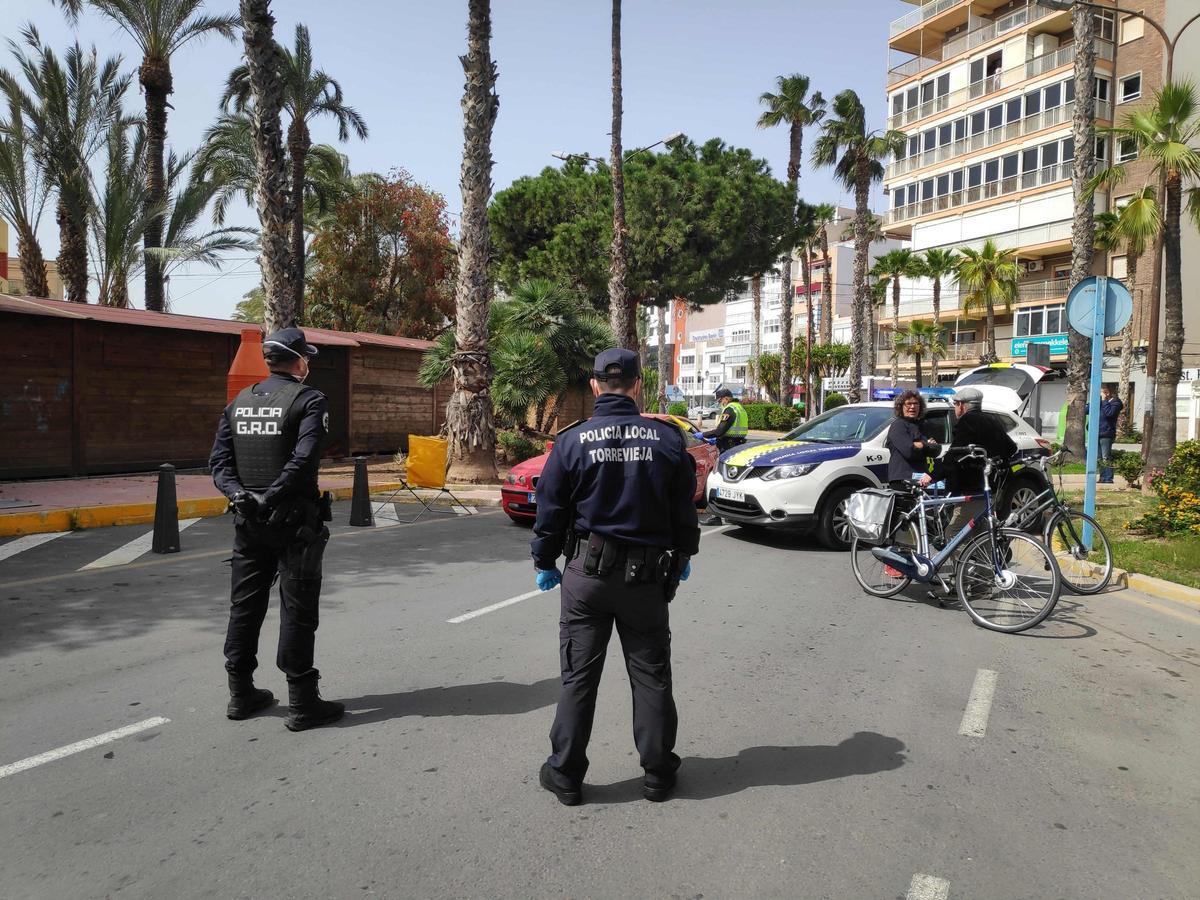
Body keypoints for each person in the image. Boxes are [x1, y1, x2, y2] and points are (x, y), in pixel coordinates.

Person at [531, 348, 700, 806]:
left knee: (577, 678)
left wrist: (545, 560)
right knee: (651, 677)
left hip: (586, 575)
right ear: (638, 384)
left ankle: (565, 774)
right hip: (645, 580)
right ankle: (658, 774)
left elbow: (550, 509)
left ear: (593, 387)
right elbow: (684, 509)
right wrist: (684, 553)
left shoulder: (571, 441)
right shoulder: (667, 440)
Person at [209, 327, 344, 732]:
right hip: (293, 524)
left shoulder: (240, 402)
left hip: (248, 521)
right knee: (298, 610)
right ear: (299, 360)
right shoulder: (309, 399)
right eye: (308, 358)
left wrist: (241, 495)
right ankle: (303, 701)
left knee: (244, 607)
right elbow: (303, 460)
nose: (308, 364)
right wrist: (270, 496)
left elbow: (219, 463)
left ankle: (241, 694)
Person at [920, 386, 1017, 538]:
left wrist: (932, 475)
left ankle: (965, 563)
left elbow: (954, 455)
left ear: (962, 405)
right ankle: (994, 558)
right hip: (990, 487)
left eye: (955, 404)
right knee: (980, 531)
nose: (955, 408)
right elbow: (1011, 448)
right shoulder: (991, 419)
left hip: (970, 488)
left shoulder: (968, 420)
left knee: (953, 534)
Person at [699, 387, 749, 524]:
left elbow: (721, 430)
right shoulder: (740, 408)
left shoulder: (730, 409)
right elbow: (733, 431)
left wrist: (703, 435)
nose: (720, 402)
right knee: (735, 483)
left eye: (720, 400)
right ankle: (734, 515)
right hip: (738, 447)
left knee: (719, 481)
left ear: (726, 398)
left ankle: (716, 517)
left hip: (728, 448)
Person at [884, 390, 939, 486]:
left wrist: (921, 445)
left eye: (915, 403)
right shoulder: (898, 425)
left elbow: (936, 450)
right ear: (901, 407)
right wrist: (926, 445)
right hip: (903, 480)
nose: (912, 407)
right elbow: (909, 451)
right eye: (908, 404)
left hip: (922, 479)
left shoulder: (921, 425)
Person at [1097, 385, 1123, 484]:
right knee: (1099, 458)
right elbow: (1087, 411)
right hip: (1097, 432)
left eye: (1101, 394)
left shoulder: (1116, 402)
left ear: (1107, 393)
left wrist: (1104, 401)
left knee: (1105, 457)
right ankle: (1102, 477)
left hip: (1106, 433)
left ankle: (1108, 478)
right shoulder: (1101, 402)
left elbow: (1109, 413)